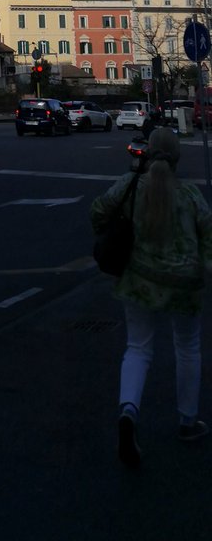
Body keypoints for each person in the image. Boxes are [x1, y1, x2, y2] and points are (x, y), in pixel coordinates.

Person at [90, 126, 212, 468]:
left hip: (140, 280)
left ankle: (128, 412)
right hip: (185, 283)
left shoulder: (131, 187)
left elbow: (98, 211)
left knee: (138, 348)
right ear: (177, 158)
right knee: (187, 346)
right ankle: (188, 422)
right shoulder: (190, 195)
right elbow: (209, 238)